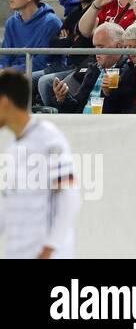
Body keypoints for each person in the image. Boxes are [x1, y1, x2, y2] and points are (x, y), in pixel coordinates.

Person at [0, 71, 80, 258]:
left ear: (5, 101)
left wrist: (49, 249)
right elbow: (6, 205)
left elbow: (69, 197)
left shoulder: (48, 138)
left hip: (48, 254)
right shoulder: (12, 148)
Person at [2, 0, 63, 74]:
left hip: (40, 72)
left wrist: (9, 72)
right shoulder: (11, 23)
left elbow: (41, 62)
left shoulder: (51, 22)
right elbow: (5, 57)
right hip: (13, 73)